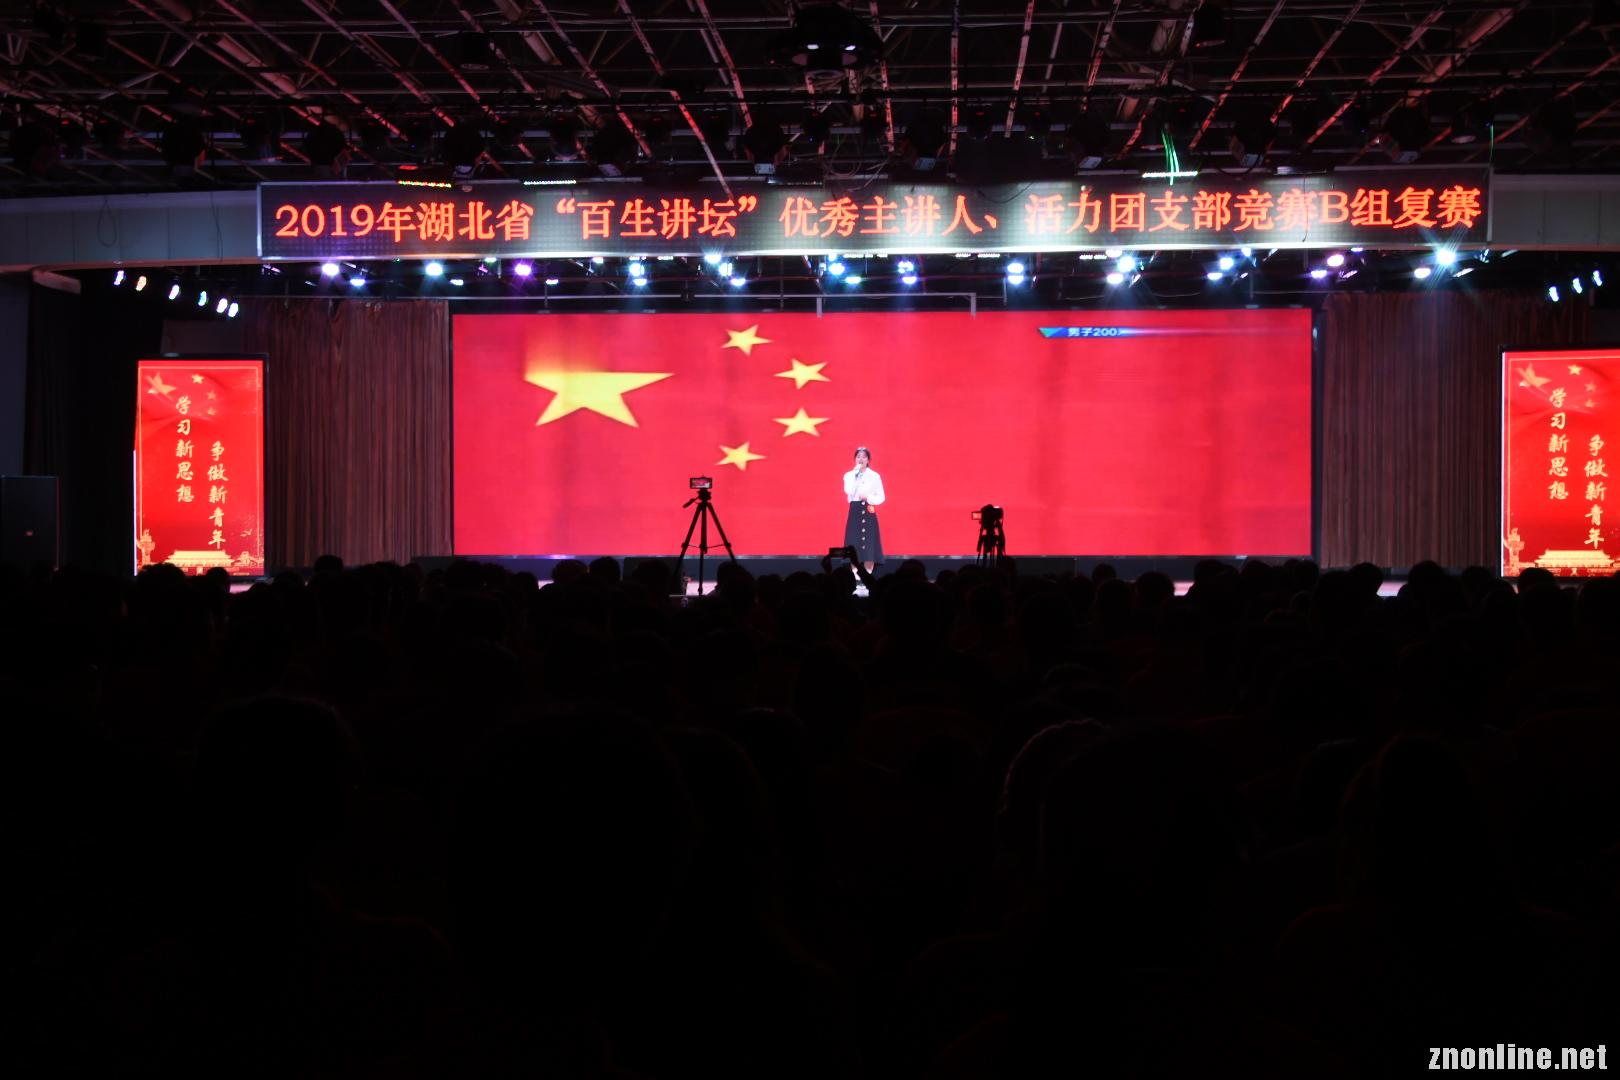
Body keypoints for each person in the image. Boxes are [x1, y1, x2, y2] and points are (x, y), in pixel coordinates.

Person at [842, 446, 886, 575]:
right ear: (855, 459)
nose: (861, 459)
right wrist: (855, 474)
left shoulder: (874, 476)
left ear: (868, 460)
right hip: (855, 510)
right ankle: (855, 575)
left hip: (868, 509)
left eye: (864, 457)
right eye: (858, 457)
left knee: (869, 543)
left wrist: (868, 498)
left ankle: (868, 574)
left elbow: (881, 497)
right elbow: (849, 491)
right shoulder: (849, 475)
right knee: (854, 542)